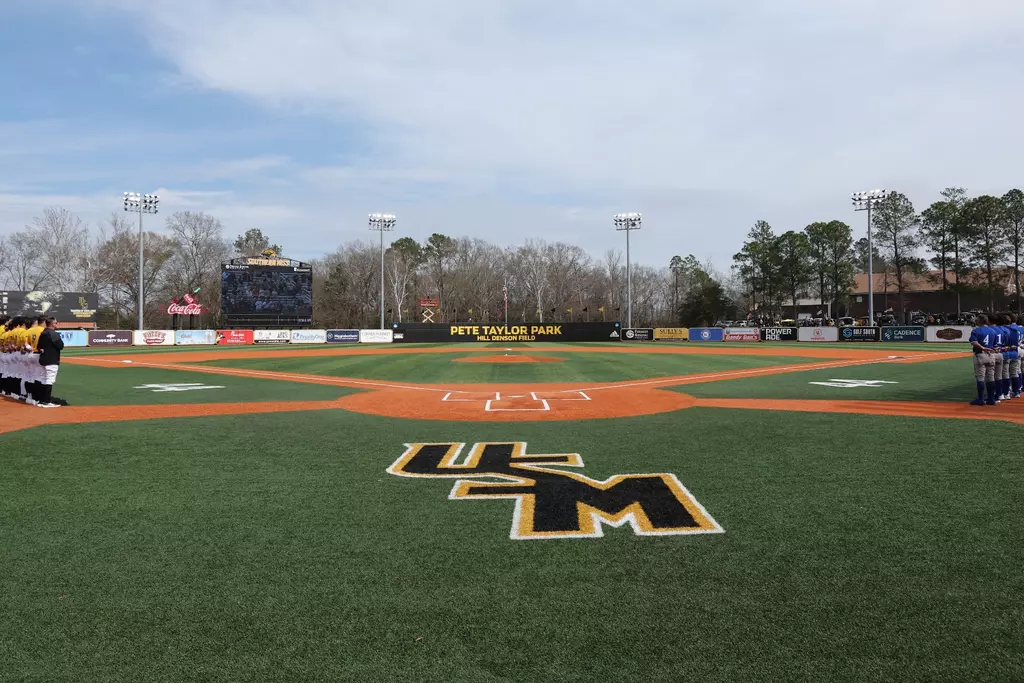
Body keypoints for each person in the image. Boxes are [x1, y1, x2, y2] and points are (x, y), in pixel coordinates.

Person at [969, 314, 998, 406]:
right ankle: (991, 399)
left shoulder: (976, 331)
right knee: (990, 377)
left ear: (979, 321)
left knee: (980, 377)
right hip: (991, 355)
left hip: (981, 354)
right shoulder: (993, 331)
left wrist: (983, 347)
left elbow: (973, 342)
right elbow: (995, 345)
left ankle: (981, 399)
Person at [36, 317, 65, 408]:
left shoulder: (43, 333)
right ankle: (47, 401)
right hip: (52, 359)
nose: (57, 324)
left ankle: (41, 400)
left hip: (43, 359)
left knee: (43, 379)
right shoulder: (54, 334)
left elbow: (38, 346)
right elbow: (60, 346)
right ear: (52, 324)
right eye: (56, 323)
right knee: (49, 380)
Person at [24, 316, 46, 405]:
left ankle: (29, 396)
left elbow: (25, 344)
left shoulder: (28, 331)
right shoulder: (43, 330)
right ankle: (38, 397)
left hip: (30, 354)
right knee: (39, 377)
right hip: (38, 354)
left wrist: (29, 348)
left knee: (30, 376)